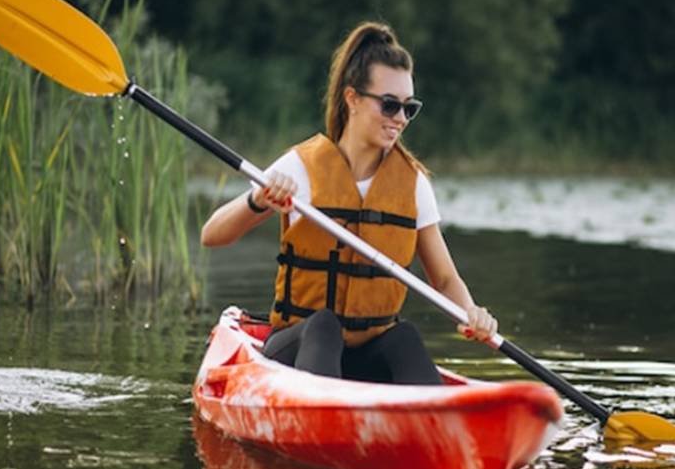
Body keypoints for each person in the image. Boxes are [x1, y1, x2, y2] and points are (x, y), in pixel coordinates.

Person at [201, 21, 496, 385]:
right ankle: (318, 415)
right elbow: (212, 235)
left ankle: (437, 423)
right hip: (297, 350)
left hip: (367, 354)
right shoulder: (301, 168)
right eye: (390, 106)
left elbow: (445, 278)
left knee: (403, 337)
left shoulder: (413, 183)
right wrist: (258, 199)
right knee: (324, 324)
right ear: (352, 98)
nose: (400, 119)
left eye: (409, 108)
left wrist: (471, 312)